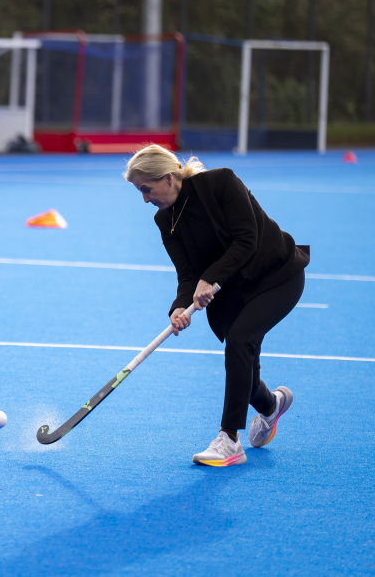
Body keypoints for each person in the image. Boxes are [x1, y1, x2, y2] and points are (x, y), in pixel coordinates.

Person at [124, 144, 309, 467]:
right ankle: (271, 405)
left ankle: (229, 440)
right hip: (231, 291)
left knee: (240, 342)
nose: (144, 199)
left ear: (167, 178)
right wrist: (179, 308)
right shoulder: (164, 220)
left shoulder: (221, 183)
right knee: (245, 378)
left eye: (145, 189)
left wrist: (210, 279)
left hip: (276, 275)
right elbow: (187, 274)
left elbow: (246, 239)